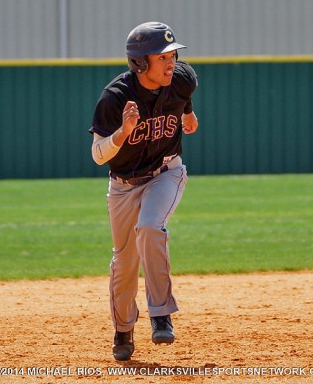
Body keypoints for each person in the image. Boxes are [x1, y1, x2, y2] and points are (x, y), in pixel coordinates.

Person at [89, 21, 199, 361]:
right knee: (124, 263)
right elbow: (97, 155)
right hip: (123, 186)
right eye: (162, 56)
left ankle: (161, 312)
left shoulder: (181, 79)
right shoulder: (115, 98)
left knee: (150, 227)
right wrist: (122, 133)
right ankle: (123, 330)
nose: (171, 61)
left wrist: (189, 115)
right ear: (140, 63)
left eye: (173, 54)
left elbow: (184, 97)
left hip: (166, 171)